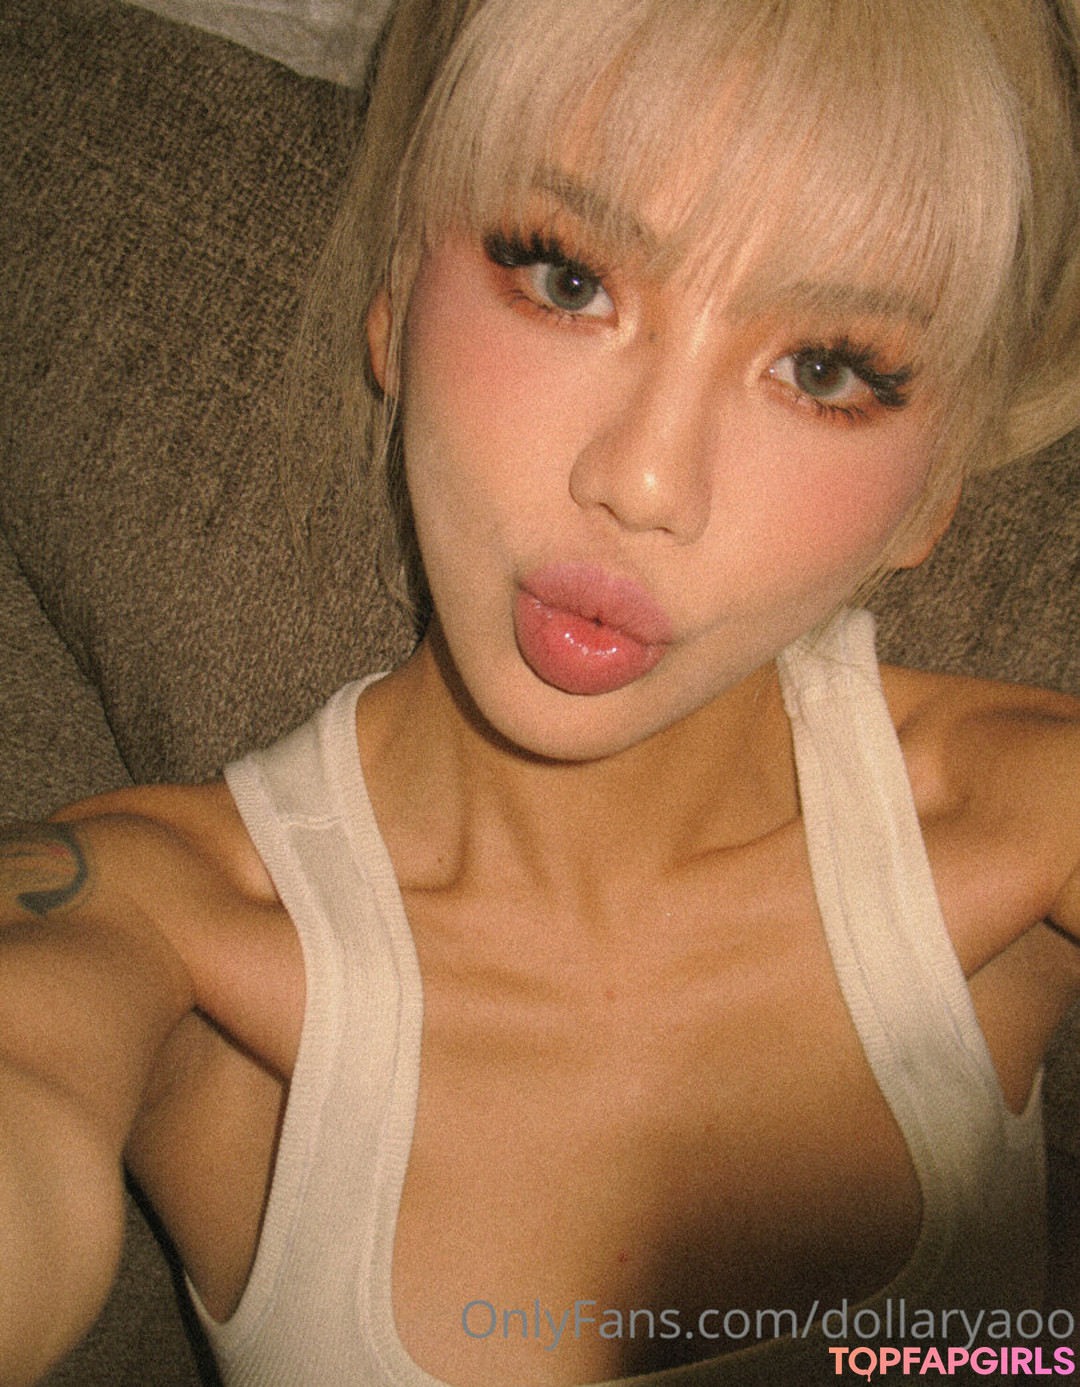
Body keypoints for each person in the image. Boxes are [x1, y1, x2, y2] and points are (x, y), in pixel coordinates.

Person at [3, 0, 1080, 1384]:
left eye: (822, 371)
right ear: (397, 297)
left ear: (933, 493)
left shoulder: (1022, 826)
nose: (645, 481)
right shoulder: (172, 938)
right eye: (570, 281)